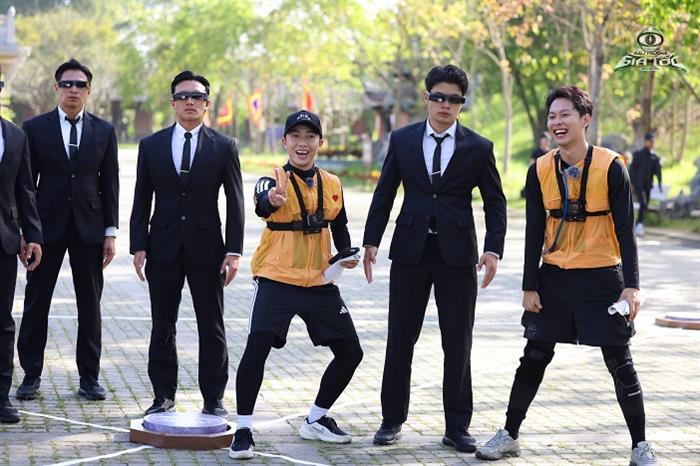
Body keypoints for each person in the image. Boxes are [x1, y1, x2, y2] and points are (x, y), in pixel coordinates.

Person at [476, 86, 659, 466]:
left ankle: (640, 446)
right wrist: (529, 286)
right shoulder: (539, 169)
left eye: (565, 115)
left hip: (602, 277)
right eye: (552, 117)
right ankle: (509, 435)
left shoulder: (611, 166)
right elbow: (533, 230)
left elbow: (626, 230)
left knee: (620, 360)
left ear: (585, 119)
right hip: (555, 277)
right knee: (534, 355)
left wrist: (632, 286)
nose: (557, 123)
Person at [362, 64, 507, 452]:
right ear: (427, 98)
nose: (445, 105)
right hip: (410, 253)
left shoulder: (479, 147)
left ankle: (457, 427)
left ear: (462, 104)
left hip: (457, 257)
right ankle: (392, 419)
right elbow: (385, 193)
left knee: (458, 342)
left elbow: (495, 203)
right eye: (439, 97)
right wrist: (371, 241)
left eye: (454, 99)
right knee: (400, 338)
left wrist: (493, 249)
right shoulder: (402, 140)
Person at [229, 110, 363, 460]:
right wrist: (272, 200)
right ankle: (243, 429)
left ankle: (316, 419)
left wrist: (346, 255)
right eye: (296, 136)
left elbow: (340, 226)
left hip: (319, 281)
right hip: (276, 278)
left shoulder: (332, 183)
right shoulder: (272, 180)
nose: (303, 143)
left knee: (351, 352)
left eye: (310, 136)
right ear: (284, 141)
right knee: (257, 347)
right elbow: (262, 204)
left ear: (320, 142)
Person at [130, 71, 244, 417]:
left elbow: (235, 201)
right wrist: (138, 245)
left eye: (197, 96)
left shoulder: (224, 146)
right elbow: (141, 198)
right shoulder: (151, 145)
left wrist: (234, 250)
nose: (189, 102)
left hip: (208, 249)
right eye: (183, 96)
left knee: (211, 325)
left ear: (207, 104)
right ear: (173, 103)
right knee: (163, 324)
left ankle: (214, 398)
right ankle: (163, 395)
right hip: (162, 246)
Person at [16, 59, 119, 402]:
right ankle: (30, 375)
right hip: (45, 229)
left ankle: (89, 377)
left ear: (89, 91)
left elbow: (110, 184)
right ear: (56, 88)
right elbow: (26, 184)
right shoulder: (34, 128)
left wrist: (110, 232)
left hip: (90, 229)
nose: (73, 90)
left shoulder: (104, 130)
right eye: (67, 84)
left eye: (80, 85)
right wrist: (27, 231)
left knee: (90, 305)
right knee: (36, 302)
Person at [0, 78, 43, 423]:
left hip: (4, 241)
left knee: (2, 322)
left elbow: (25, 189)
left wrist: (33, 235)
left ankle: (1, 397)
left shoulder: (15, 135)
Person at [628, 132, 662, 237]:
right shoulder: (638, 154)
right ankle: (638, 224)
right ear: (646, 141)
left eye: (653, 141)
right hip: (638, 184)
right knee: (642, 203)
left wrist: (659, 183)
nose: (652, 143)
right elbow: (632, 170)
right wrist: (631, 183)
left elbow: (657, 171)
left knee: (645, 205)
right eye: (650, 141)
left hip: (648, 185)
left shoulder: (654, 156)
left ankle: (638, 223)